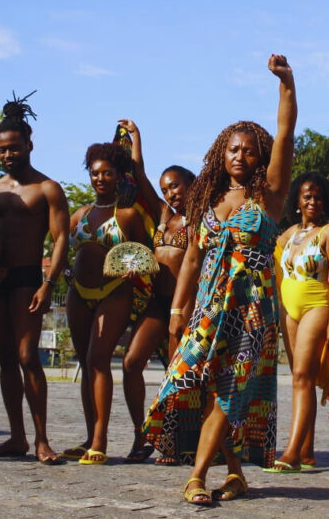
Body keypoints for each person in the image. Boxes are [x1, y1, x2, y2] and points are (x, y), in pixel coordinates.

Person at [144, 54, 296, 506]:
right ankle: (235, 472)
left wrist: (287, 84)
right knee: (195, 385)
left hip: (251, 312)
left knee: (229, 393)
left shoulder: (269, 194)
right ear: (220, 153)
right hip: (209, 310)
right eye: (233, 149)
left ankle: (195, 477)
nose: (240, 156)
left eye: (249, 150)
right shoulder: (206, 199)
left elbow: (286, 133)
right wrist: (178, 310)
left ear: (260, 155)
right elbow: (192, 259)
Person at [0, 94, 70, 465]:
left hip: (29, 277)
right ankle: (17, 437)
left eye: (14, 147)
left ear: (29, 144)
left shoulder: (47, 188)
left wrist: (49, 283)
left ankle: (42, 440)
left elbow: (61, 239)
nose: (8, 155)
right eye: (2, 150)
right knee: (6, 358)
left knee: (29, 357)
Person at [62, 122, 153, 465]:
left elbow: (146, 256)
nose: (100, 178)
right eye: (95, 173)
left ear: (118, 176)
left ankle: (100, 440)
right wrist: (65, 273)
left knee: (99, 359)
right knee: (86, 364)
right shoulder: (79, 215)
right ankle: (89, 437)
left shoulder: (128, 216)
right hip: (77, 292)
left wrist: (134, 268)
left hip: (114, 292)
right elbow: (64, 251)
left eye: (107, 173)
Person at [265, 171, 329, 473]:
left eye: (319, 197)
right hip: (289, 311)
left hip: (317, 306)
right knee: (301, 379)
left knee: (301, 376)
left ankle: (292, 453)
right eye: (307, 196)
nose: (313, 201)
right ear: (297, 201)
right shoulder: (288, 234)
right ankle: (307, 450)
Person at [121, 165, 196, 465]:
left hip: (185, 303)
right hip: (157, 302)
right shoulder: (165, 215)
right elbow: (138, 172)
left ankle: (174, 441)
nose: (170, 194)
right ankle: (141, 435)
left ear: (192, 183)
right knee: (131, 362)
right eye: (165, 189)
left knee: (177, 373)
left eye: (175, 186)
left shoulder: (203, 220)